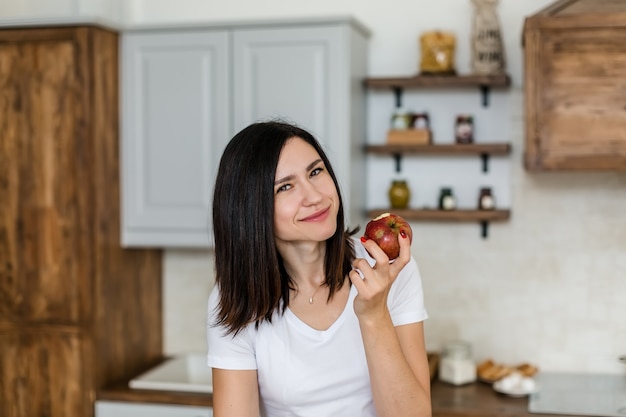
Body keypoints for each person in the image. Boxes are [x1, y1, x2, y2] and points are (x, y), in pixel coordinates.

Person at [207, 121, 430, 417]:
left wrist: (375, 316)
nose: (314, 196)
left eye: (315, 171)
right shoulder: (236, 298)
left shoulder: (388, 268)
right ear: (251, 209)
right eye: (285, 186)